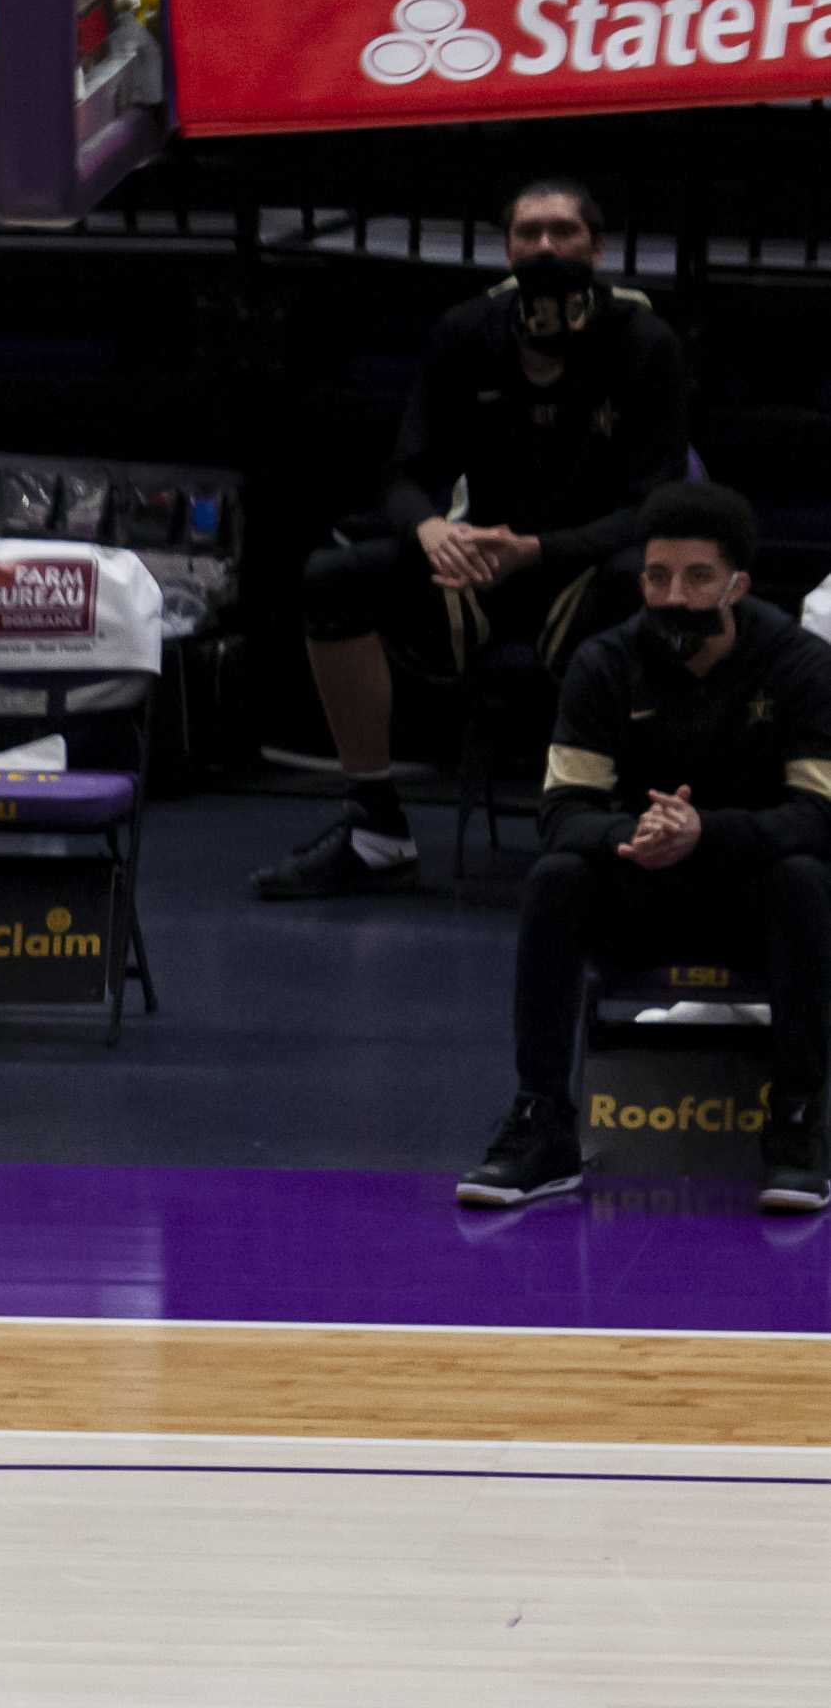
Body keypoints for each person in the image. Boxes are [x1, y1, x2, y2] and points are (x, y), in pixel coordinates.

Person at [253, 179, 690, 900]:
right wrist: (430, 530)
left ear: (597, 249)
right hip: (477, 574)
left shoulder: (645, 343)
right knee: (334, 578)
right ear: (508, 249)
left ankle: (615, 830)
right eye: (529, 233)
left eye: (563, 232)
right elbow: (404, 474)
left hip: (584, 570)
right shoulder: (466, 332)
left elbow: (658, 506)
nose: (545, 246)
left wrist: (543, 550)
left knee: (642, 577)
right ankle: (376, 831)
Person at [460, 481, 831, 1214]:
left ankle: (796, 1124)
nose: (674, 596)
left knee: (805, 878)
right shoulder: (603, 664)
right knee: (558, 876)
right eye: (658, 577)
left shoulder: (799, 667)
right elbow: (563, 812)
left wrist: (708, 833)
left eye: (697, 578)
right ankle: (542, 1122)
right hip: (642, 890)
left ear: (738, 583)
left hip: (751, 904)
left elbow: (818, 814)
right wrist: (637, 833)